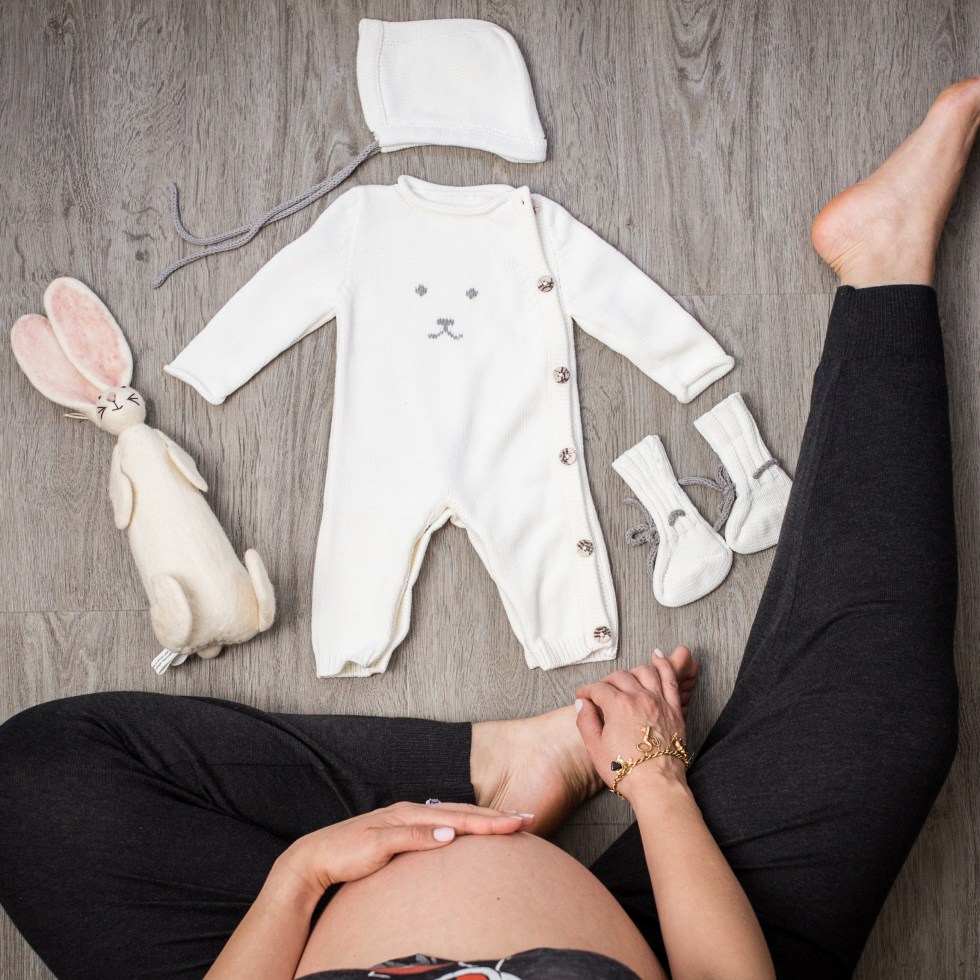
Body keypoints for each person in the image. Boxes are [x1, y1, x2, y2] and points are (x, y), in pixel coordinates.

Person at [0, 77, 974, 980]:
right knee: (885, 711)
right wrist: (655, 783)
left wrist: (299, 877)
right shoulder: (381, 221)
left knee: (30, 785)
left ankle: (492, 767)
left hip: (319, 913)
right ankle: (884, 265)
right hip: (663, 940)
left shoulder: (485, 222)